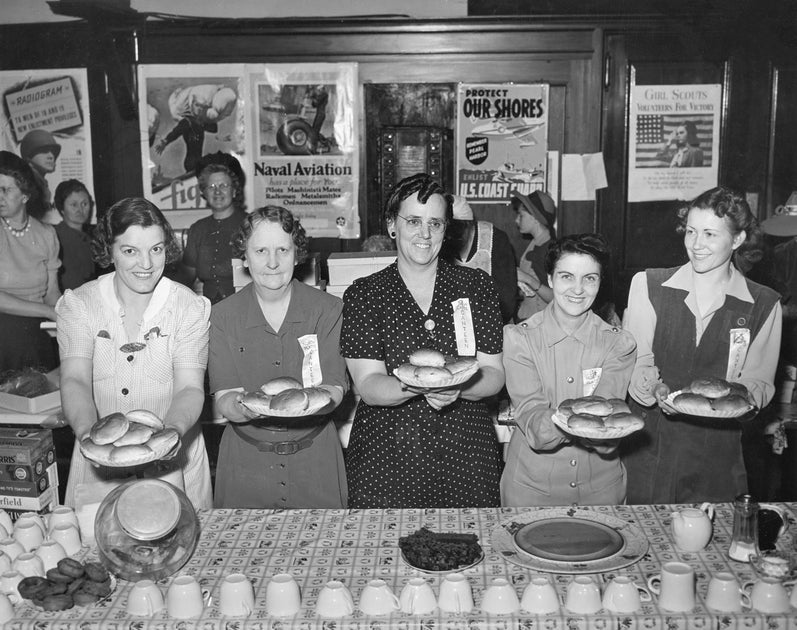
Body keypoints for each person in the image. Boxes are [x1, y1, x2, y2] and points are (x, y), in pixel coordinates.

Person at [340, 173, 506, 508]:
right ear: (392, 225)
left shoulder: (477, 287)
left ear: (447, 230)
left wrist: (456, 389)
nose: (424, 234)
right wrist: (423, 387)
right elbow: (369, 385)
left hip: (467, 455)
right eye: (413, 221)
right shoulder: (365, 294)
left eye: (435, 223)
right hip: (386, 458)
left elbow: (494, 374)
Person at [622, 186, 781, 503]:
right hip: (649, 452)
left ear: (736, 240)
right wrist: (653, 389)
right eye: (691, 231)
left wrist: (738, 399)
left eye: (710, 234)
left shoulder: (763, 303)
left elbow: (759, 382)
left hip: (717, 460)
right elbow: (639, 361)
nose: (696, 245)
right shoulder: (648, 285)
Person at [56, 197, 213, 510]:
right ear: (109, 250)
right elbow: (74, 380)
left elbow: (189, 387)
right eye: (130, 251)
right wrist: (92, 437)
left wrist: (169, 436)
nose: (146, 264)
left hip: (174, 465)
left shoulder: (189, 307)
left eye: (156, 249)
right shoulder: (80, 305)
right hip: (98, 471)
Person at [209, 206, 348, 508]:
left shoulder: (327, 309)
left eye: (283, 250)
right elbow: (225, 398)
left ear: (297, 254)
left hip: (316, 464)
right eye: (260, 250)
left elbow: (335, 388)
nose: (272, 263)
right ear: (244, 256)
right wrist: (249, 407)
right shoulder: (222, 316)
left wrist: (305, 403)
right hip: (245, 467)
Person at [501, 234, 637, 506]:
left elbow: (609, 419)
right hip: (531, 491)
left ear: (600, 282)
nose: (578, 289)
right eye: (566, 276)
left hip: (601, 492)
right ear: (550, 279)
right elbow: (533, 422)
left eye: (589, 278)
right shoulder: (519, 339)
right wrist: (585, 424)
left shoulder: (619, 343)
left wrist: (605, 430)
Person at [0, 151, 60, 373]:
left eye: (5, 190)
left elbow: (52, 293)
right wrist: (46, 311)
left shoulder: (46, 234)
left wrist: (65, 313)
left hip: (37, 329)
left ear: (25, 195)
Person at [182, 153, 247, 304]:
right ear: (204, 193)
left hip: (245, 310)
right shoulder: (198, 229)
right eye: (211, 187)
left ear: (235, 190)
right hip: (209, 312)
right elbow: (184, 279)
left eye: (223, 185)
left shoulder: (251, 225)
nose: (217, 192)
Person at [445, 195, 518, 323]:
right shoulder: (441, 242)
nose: (454, 238)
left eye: (458, 231)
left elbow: (507, 297)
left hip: (492, 321)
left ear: (469, 224)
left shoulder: (495, 239)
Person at [513, 190, 557, 321]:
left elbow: (557, 298)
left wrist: (527, 279)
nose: (516, 220)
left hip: (540, 323)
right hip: (529, 318)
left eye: (521, 215)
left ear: (535, 217)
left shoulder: (546, 248)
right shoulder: (536, 242)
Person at [53, 179, 97, 292]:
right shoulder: (57, 237)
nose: (80, 210)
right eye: (74, 205)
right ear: (62, 208)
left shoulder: (87, 237)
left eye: (84, 204)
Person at [20, 129, 61, 222]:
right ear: (29, 155)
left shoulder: (39, 183)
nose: (51, 156)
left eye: (53, 152)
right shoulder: (28, 184)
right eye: (44, 151)